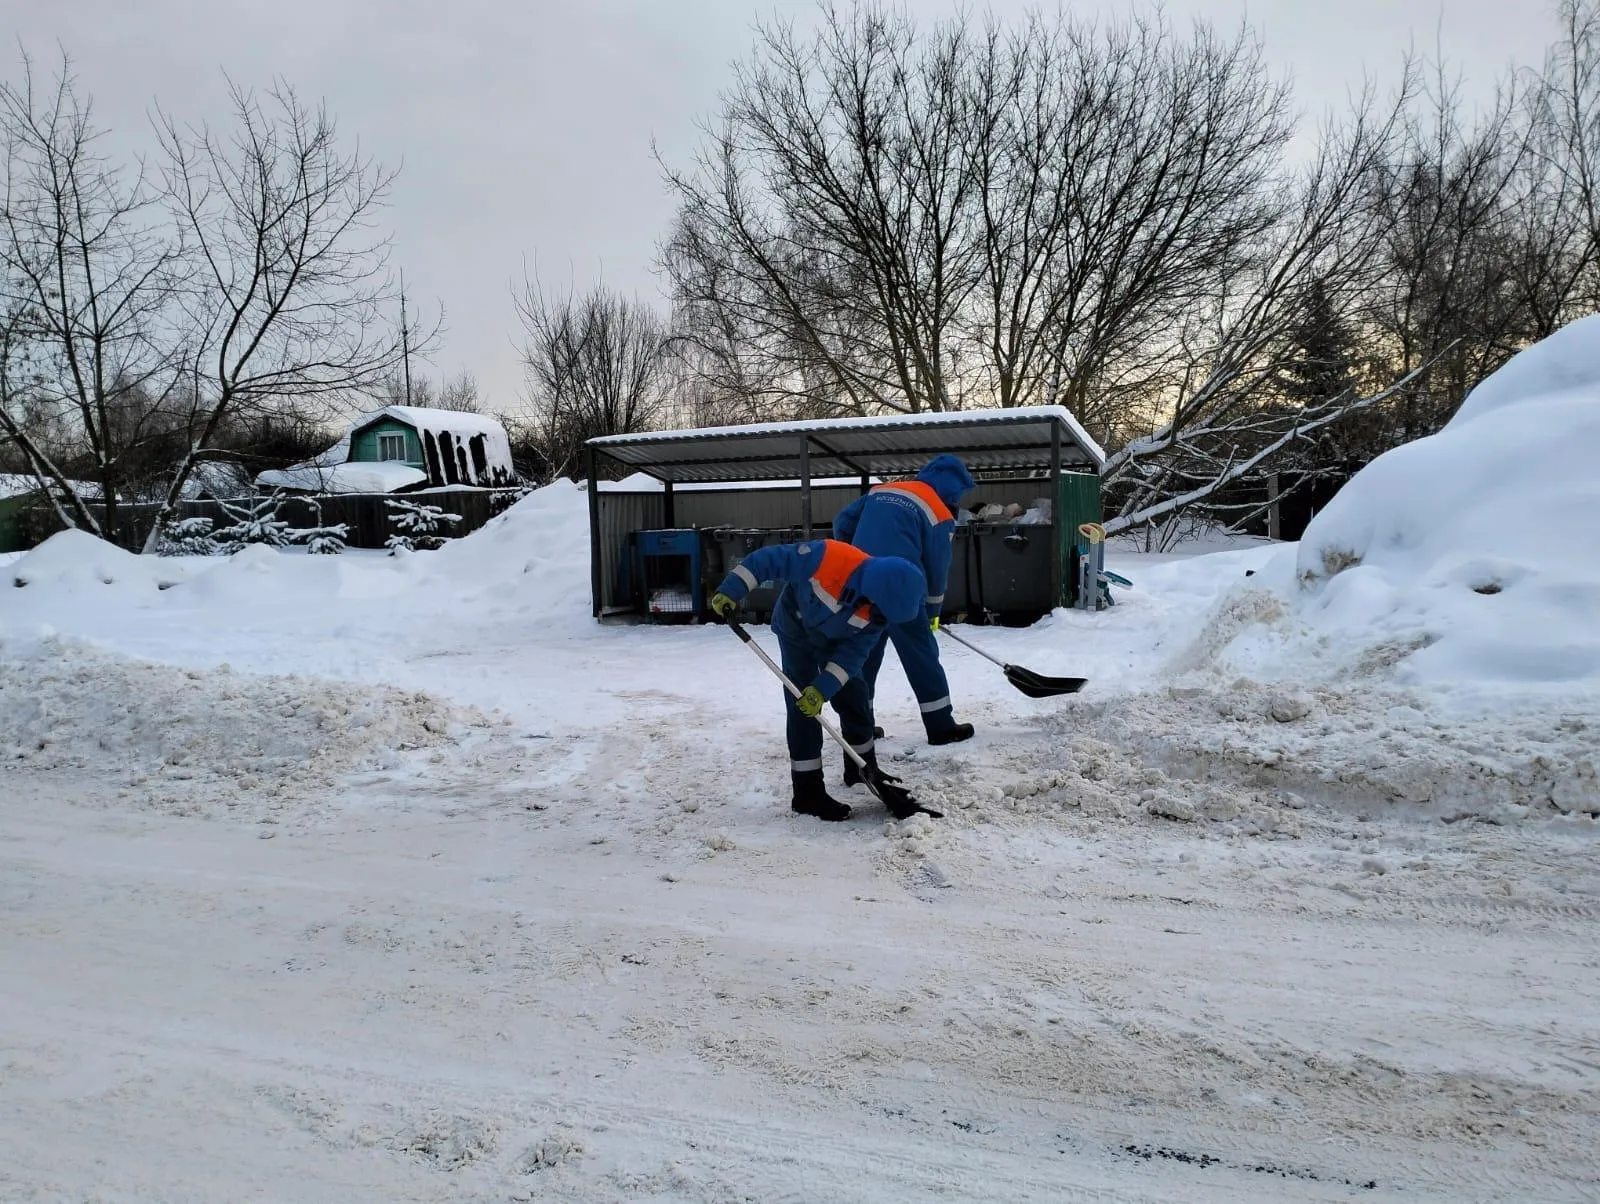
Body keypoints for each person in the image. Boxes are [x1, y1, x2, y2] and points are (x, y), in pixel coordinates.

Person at [710, 538, 926, 822]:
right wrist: (732, 590)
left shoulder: (878, 615)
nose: (881, 618)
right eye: (883, 610)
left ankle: (862, 769)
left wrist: (823, 689)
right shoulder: (828, 557)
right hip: (796, 632)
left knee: (855, 696)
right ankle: (807, 791)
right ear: (876, 591)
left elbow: (852, 656)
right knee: (802, 706)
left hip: (837, 643)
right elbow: (769, 560)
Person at [832, 453, 976, 759]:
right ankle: (940, 725)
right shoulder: (939, 513)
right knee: (921, 654)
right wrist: (933, 612)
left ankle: (862, 725)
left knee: (862, 655)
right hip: (901, 589)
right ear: (953, 491)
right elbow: (937, 570)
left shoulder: (882, 490)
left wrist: (852, 557)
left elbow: (842, 521)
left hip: (863, 583)